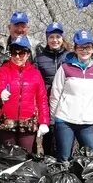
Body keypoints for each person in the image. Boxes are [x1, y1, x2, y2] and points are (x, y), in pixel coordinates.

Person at [49, 29, 93, 161]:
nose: (84, 51)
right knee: (64, 158)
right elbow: (55, 95)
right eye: (81, 47)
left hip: (87, 123)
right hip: (65, 120)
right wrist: (53, 120)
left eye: (88, 47)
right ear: (75, 49)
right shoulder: (65, 68)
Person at [0, 36, 50, 152]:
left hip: (28, 122)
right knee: (8, 156)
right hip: (7, 121)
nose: (17, 57)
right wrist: (1, 91)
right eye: (14, 53)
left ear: (28, 54)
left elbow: (42, 99)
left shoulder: (35, 73)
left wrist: (44, 121)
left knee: (25, 155)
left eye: (21, 53)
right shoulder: (3, 70)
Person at [34, 21, 68, 154]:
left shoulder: (69, 56)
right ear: (47, 39)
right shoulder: (40, 58)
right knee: (48, 139)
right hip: (46, 103)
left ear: (62, 38)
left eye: (58, 37)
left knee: (64, 140)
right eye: (51, 37)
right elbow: (36, 82)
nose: (55, 40)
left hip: (66, 103)